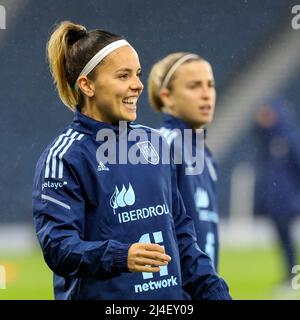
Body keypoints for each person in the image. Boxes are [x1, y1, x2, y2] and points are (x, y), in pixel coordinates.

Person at [32, 21, 231, 300]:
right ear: (87, 85)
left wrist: (215, 292)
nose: (137, 85)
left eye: (137, 74)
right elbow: (59, 247)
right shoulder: (65, 157)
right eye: (123, 75)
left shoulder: (156, 144)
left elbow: (183, 238)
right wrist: (120, 255)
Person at [148, 53, 220, 271]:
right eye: (194, 86)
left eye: (210, 85)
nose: (206, 94)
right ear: (167, 97)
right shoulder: (162, 147)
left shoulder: (204, 154)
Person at [254, 99, 300, 283]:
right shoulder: (267, 139)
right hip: (274, 199)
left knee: (287, 240)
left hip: (287, 199)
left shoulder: (288, 138)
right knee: (282, 240)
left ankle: (292, 274)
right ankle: (290, 273)